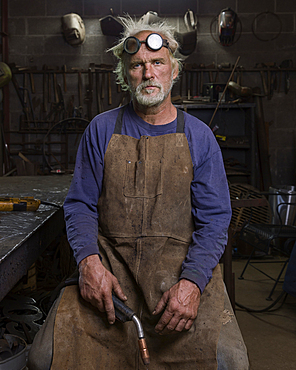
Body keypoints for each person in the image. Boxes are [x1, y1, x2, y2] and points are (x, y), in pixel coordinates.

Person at [28, 16, 249, 370]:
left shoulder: (199, 136)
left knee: (229, 362)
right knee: (44, 358)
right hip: (112, 278)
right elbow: (80, 205)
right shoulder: (101, 129)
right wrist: (88, 263)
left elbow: (215, 220)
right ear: (125, 75)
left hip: (177, 274)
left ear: (174, 71)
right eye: (137, 65)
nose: (148, 73)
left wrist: (192, 283)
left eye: (157, 63)